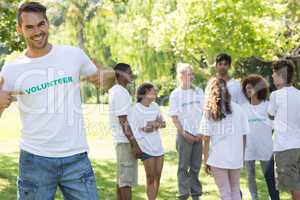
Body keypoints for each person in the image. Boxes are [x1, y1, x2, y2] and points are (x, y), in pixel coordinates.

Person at [0, 2, 115, 199]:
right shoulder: (12, 70)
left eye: (41, 24)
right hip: (35, 161)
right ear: (19, 29)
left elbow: (105, 82)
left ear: (48, 24)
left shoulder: (73, 55)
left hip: (76, 159)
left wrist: (110, 74)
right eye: (29, 27)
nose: (37, 31)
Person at [200, 77, 249, 200]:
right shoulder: (239, 109)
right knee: (235, 189)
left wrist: (205, 160)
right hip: (236, 156)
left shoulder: (209, 112)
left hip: (218, 158)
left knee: (225, 192)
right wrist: (241, 156)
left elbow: (205, 139)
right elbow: (244, 136)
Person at [169, 63, 204, 200]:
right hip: (184, 135)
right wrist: (185, 134)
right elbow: (174, 117)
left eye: (192, 74)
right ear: (181, 76)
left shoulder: (199, 91)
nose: (192, 77)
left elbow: (205, 113)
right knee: (183, 166)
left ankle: (195, 194)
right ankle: (183, 194)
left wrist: (201, 132)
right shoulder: (175, 95)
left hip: (198, 135)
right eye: (189, 74)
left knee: (196, 166)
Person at [241, 74, 280, 200]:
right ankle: (254, 198)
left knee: (270, 178)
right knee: (250, 177)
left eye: (251, 88)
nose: (248, 91)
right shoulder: (243, 108)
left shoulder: (268, 106)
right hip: (248, 149)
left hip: (266, 148)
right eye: (246, 88)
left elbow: (276, 125)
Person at [268, 59, 300, 200]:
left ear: (281, 75)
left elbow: (270, 115)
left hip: (285, 147)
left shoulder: (275, 95)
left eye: (274, 74)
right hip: (298, 145)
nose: (272, 77)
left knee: (294, 187)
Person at [108, 63, 141, 200]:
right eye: (129, 72)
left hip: (122, 141)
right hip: (125, 141)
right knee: (126, 181)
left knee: (122, 180)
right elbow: (123, 121)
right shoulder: (120, 92)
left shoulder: (116, 90)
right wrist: (134, 143)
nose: (132, 74)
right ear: (120, 74)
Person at [129, 83, 165, 200]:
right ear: (144, 93)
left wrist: (153, 124)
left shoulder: (155, 106)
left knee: (158, 177)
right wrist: (151, 125)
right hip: (145, 147)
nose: (155, 93)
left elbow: (163, 123)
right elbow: (137, 129)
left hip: (158, 147)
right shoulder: (135, 108)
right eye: (152, 91)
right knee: (150, 177)